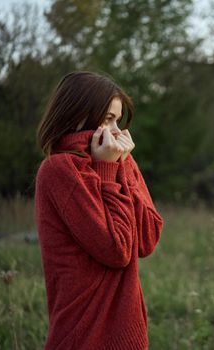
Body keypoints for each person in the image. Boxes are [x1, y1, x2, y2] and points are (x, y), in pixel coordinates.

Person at [34, 71, 164, 350]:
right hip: (85, 332)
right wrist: (108, 169)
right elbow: (116, 250)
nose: (117, 131)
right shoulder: (59, 170)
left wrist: (123, 166)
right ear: (78, 116)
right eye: (107, 119)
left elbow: (148, 238)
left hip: (126, 332)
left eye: (117, 120)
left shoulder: (115, 159)